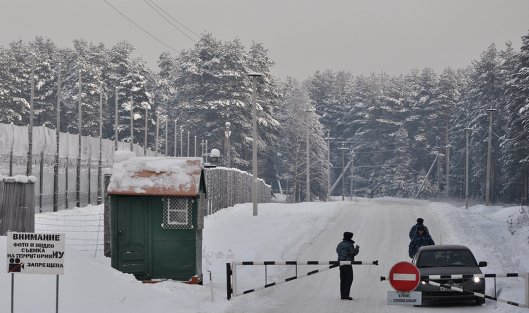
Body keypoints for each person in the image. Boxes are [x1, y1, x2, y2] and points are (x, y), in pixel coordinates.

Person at [336, 231, 360, 300]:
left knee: (343, 279)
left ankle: (343, 295)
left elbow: (337, 251)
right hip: (347, 264)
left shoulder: (340, 244)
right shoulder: (349, 244)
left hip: (340, 264)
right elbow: (353, 253)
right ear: (350, 237)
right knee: (349, 279)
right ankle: (346, 295)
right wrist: (357, 249)